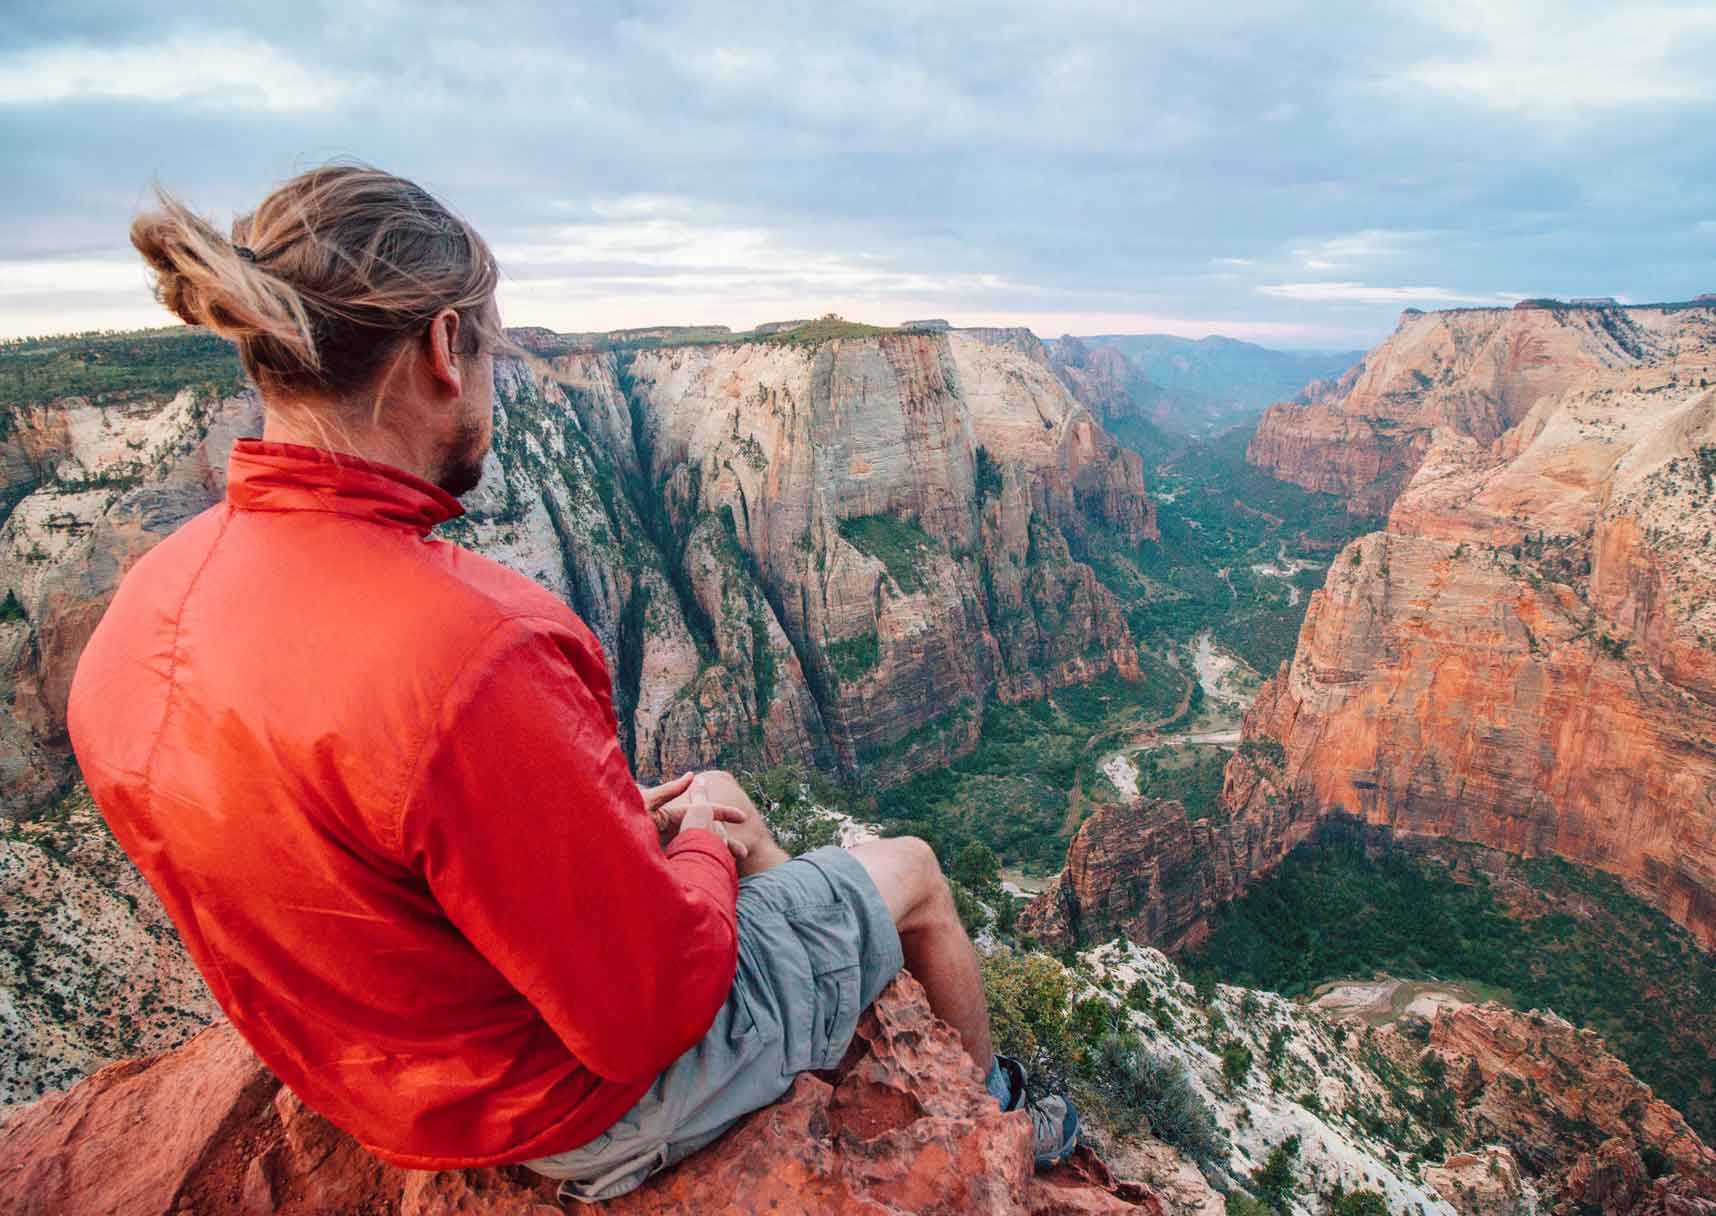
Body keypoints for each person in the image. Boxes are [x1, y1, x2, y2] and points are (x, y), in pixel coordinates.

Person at [66, 163, 1077, 1202]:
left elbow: (364, 853)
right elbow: (651, 1009)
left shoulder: (140, 613)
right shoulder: (474, 648)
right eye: (495, 349)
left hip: (372, 1080)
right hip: (567, 1107)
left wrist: (607, 829)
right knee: (905, 866)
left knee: (714, 826)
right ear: (444, 348)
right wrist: (701, 846)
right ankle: (997, 1114)